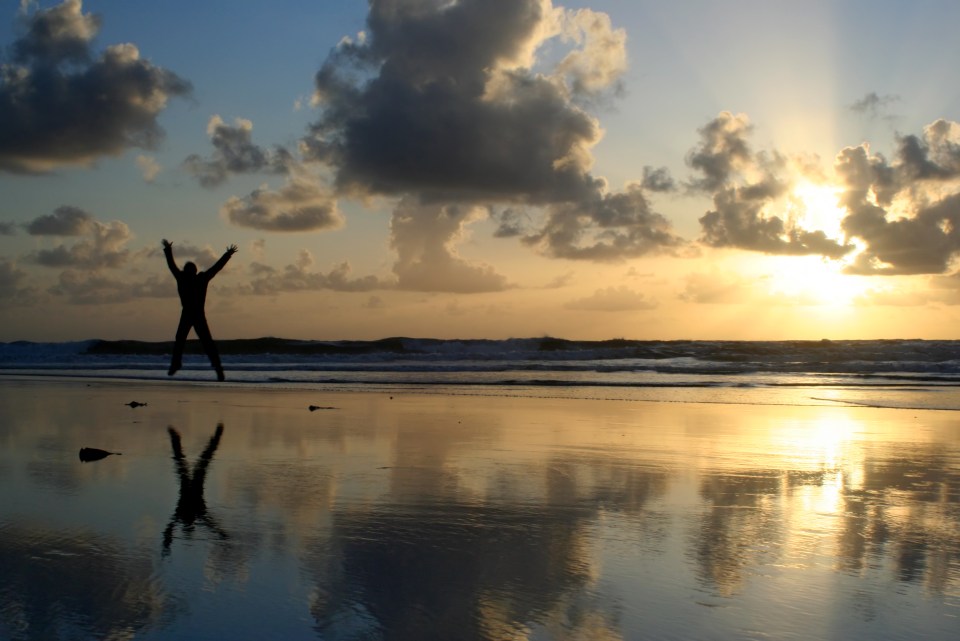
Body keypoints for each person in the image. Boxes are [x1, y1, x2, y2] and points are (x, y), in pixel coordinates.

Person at [162, 239, 237, 381]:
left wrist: (168, 249)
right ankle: (218, 368)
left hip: (190, 314)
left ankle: (177, 364)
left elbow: (171, 265)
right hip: (196, 315)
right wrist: (228, 254)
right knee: (204, 342)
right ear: (195, 271)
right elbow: (216, 268)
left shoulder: (184, 277)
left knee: (183, 341)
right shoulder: (199, 278)